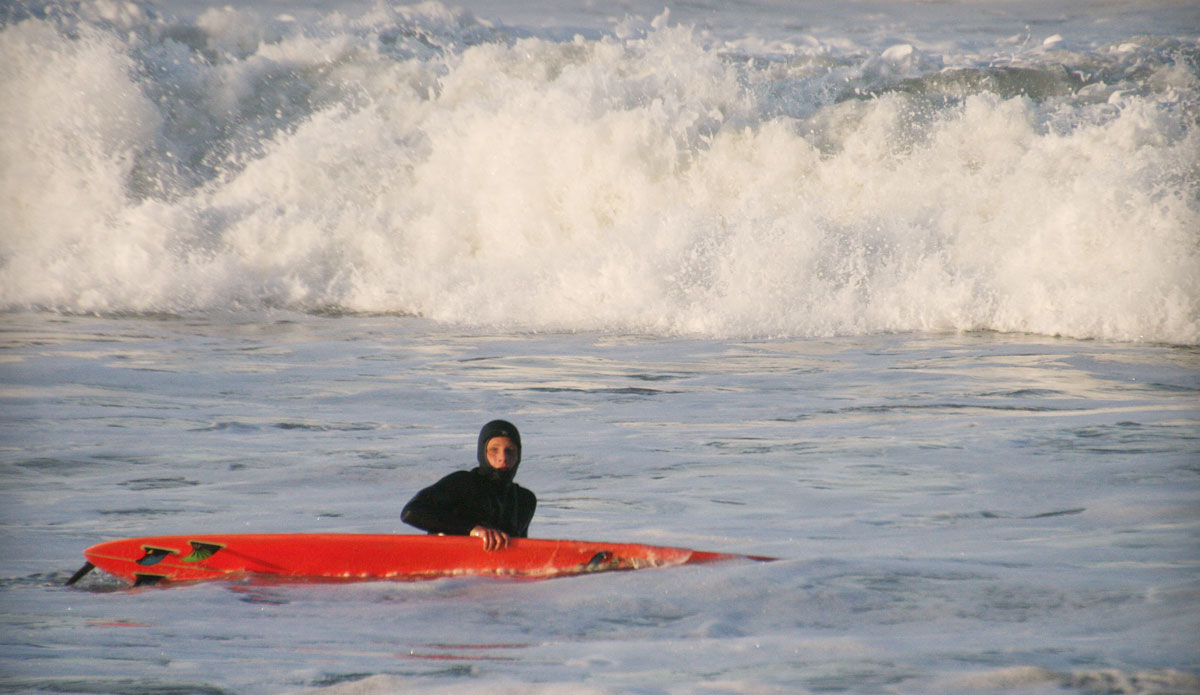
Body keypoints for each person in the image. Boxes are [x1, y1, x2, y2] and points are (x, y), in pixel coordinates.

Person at [401, 420, 536, 551]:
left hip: (493, 571)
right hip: (446, 564)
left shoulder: (524, 500)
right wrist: (472, 529)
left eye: (510, 450)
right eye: (494, 450)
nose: (503, 458)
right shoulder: (462, 483)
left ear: (519, 455)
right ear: (482, 453)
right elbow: (411, 512)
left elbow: (520, 551)